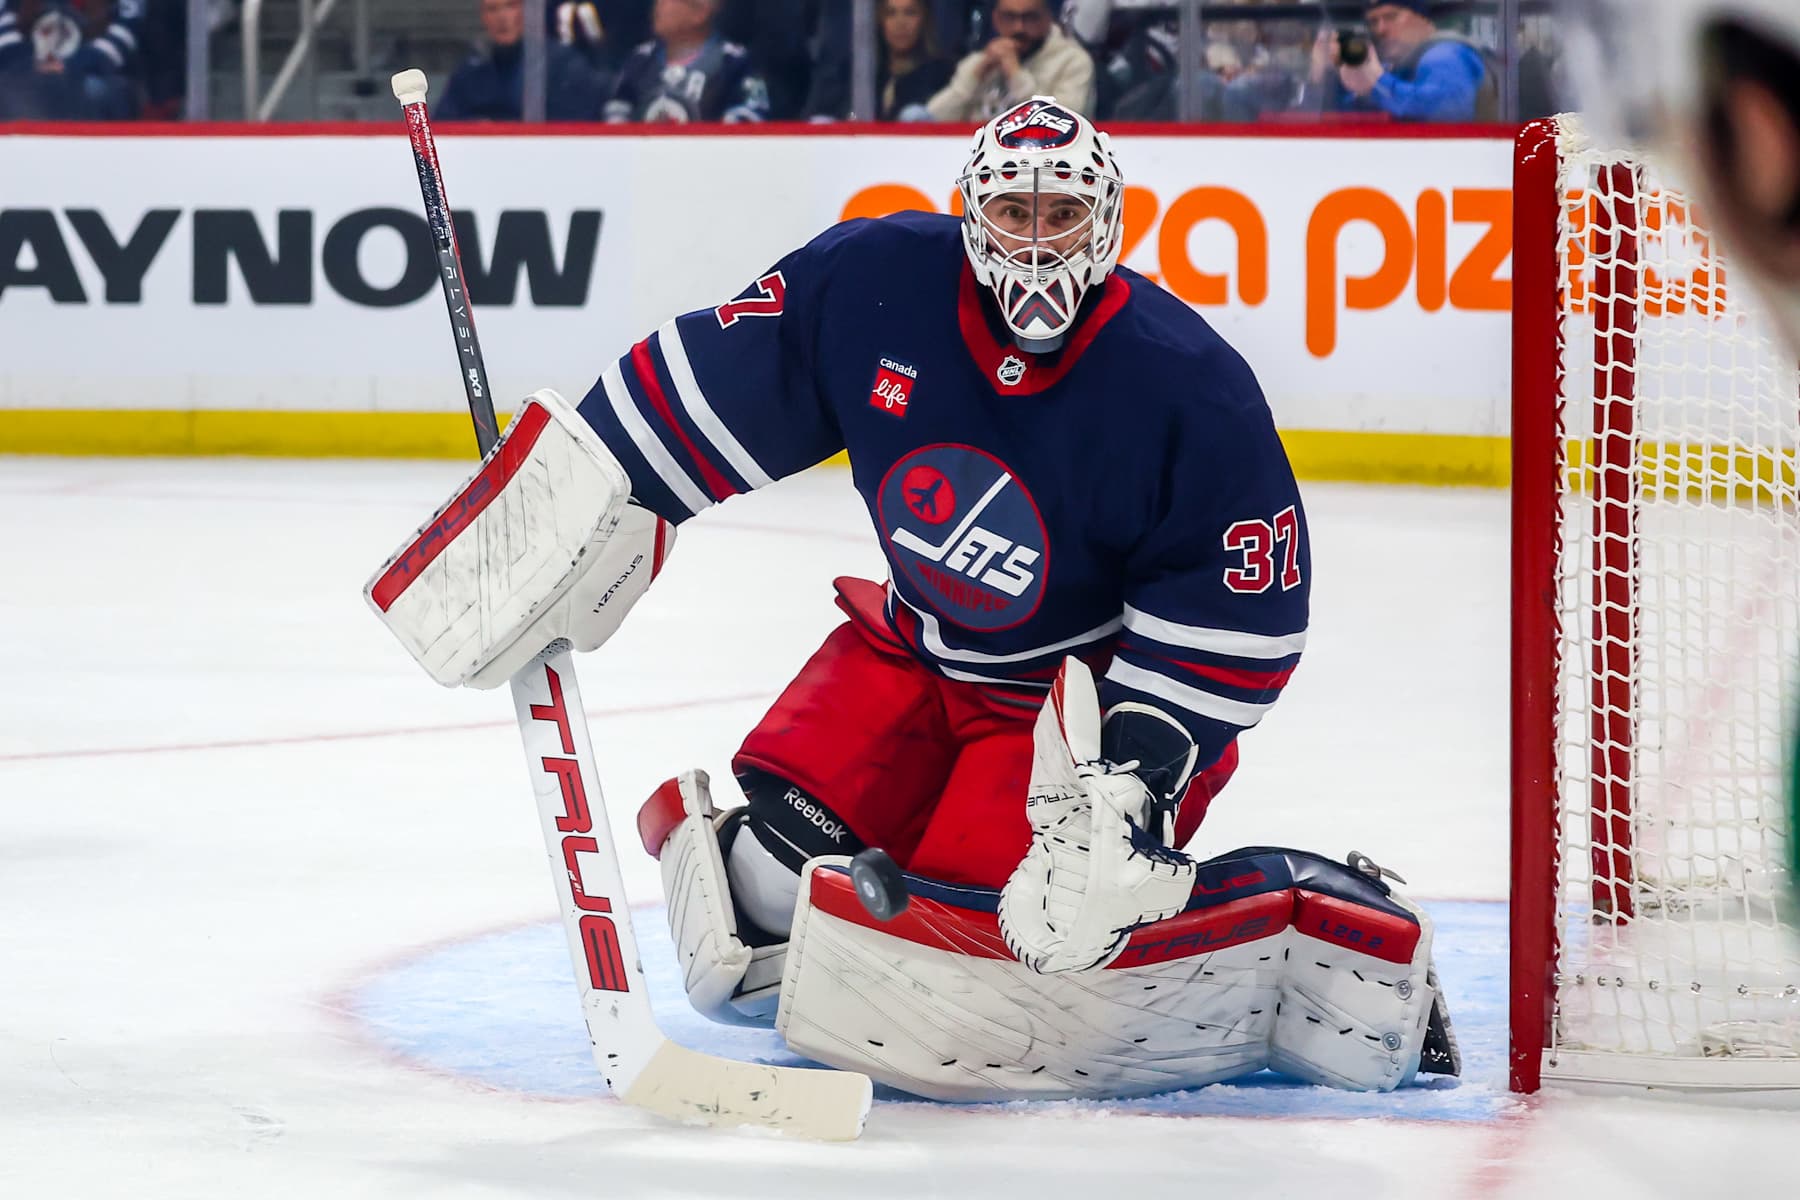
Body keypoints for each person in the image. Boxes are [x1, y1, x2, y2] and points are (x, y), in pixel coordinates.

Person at [366, 98, 1459, 1098]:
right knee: (757, 902)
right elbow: (720, 383)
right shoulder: (875, 285)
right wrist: (574, 504)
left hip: (1064, 722)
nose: (1038, 243)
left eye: (1064, 216)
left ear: (1109, 222)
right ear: (972, 213)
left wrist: (1131, 783)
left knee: (993, 948)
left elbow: (1238, 610)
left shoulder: (1184, 383)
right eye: (1015, 212)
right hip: (915, 657)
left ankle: (1303, 906)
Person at [1304, 0, 1495, 122]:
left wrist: (1376, 85)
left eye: (1391, 17)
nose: (1380, 30)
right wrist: (1322, 75)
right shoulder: (1392, 66)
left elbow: (1446, 111)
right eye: (1373, 22)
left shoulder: (1445, 54)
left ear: (1423, 19)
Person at [437, 0, 608, 121]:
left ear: (527, 11)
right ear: (483, 17)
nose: (502, 17)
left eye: (510, 6)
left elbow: (579, 127)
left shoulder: (564, 66)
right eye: (492, 9)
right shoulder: (470, 73)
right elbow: (444, 125)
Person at [926, 0, 1093, 121]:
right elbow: (931, 118)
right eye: (1009, 17)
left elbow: (1067, 123)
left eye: (1029, 17)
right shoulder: (981, 60)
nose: (1019, 27)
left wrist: (1015, 74)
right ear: (996, 19)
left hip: (1046, 153)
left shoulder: (1074, 61)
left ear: (1047, 18)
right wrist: (974, 77)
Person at [604, 0, 768, 123]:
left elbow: (750, 114)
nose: (658, 5)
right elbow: (617, 109)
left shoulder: (732, 62)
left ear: (700, 13)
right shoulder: (640, 59)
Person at [806, 0, 956, 121]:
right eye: (891, 13)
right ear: (879, 19)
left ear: (924, 19)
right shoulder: (861, 77)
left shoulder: (942, 73)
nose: (900, 23)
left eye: (910, 13)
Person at [0, 0, 144, 119]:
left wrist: (77, 65)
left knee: (107, 92)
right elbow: (4, 33)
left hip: (92, 74)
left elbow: (127, 28)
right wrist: (29, 64)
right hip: (20, 75)